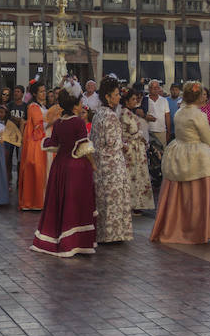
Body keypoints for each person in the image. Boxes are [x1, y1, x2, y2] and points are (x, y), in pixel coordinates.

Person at [150, 81, 210, 244]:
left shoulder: (180, 112)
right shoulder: (199, 115)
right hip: (196, 154)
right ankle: (196, 230)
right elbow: (207, 138)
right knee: (196, 195)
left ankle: (175, 225)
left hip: (178, 150)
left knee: (178, 191)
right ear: (198, 97)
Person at [31, 79, 97, 257]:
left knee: (60, 203)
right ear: (75, 106)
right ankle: (74, 242)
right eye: (81, 102)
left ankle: (58, 237)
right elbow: (84, 148)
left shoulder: (59, 122)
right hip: (76, 168)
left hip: (59, 166)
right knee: (74, 204)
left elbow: (52, 143)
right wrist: (93, 164)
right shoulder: (78, 122)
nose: (83, 105)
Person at [91, 76, 132, 243]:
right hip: (112, 165)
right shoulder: (111, 116)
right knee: (114, 200)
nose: (118, 97)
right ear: (107, 96)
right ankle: (113, 234)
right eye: (116, 94)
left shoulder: (97, 114)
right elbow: (112, 142)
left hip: (100, 164)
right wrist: (125, 146)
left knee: (103, 200)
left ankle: (103, 233)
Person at [19, 81, 54, 211]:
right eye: (41, 91)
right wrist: (52, 121)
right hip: (37, 143)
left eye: (45, 91)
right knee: (38, 171)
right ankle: (35, 201)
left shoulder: (43, 107)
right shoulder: (33, 107)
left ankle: (44, 200)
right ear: (35, 93)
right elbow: (38, 126)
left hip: (45, 140)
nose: (44, 93)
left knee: (46, 170)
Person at [120, 88, 155, 212]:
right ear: (126, 100)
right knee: (132, 176)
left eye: (136, 99)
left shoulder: (130, 113)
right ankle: (132, 203)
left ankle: (136, 203)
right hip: (131, 149)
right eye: (133, 99)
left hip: (135, 148)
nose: (135, 101)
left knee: (136, 176)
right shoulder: (125, 113)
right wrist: (142, 138)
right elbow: (133, 131)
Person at [142, 80, 171, 145]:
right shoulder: (144, 100)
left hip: (162, 132)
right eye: (153, 88)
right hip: (149, 131)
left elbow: (167, 116)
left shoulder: (164, 100)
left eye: (157, 88)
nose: (155, 89)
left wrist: (168, 132)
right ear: (149, 89)